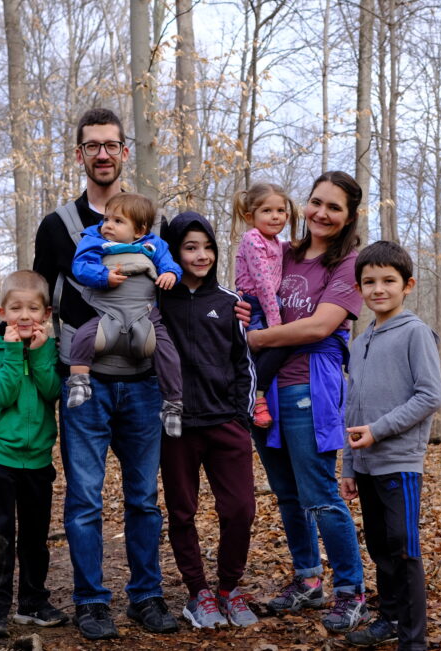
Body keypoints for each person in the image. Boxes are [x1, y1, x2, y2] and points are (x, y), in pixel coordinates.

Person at [0, 108, 180, 641]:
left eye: (111, 145)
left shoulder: (151, 224)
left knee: (142, 498)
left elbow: (182, 289)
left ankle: (147, 596)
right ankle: (90, 602)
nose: (103, 154)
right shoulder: (59, 225)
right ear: (80, 154)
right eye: (93, 146)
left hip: (145, 381)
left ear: (124, 152)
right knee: (84, 498)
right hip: (85, 380)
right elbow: (33, 300)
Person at [246, 170, 369, 634]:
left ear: (349, 216)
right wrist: (244, 313)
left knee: (319, 495)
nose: (320, 213)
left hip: (308, 388)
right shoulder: (284, 253)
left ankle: (351, 591)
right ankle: (307, 579)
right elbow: (258, 294)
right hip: (265, 389)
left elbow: (319, 327)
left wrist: (257, 338)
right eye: (316, 202)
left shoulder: (348, 266)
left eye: (334, 207)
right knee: (288, 495)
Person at [157, 211, 258, 629]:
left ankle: (228, 588)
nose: (201, 255)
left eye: (207, 247)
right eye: (190, 247)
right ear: (174, 251)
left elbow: (244, 364)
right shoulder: (157, 300)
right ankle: (198, 593)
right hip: (177, 426)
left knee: (240, 509)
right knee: (182, 511)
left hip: (225, 423)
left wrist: (242, 418)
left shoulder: (231, 304)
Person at [339, 241, 441, 650]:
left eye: (388, 281)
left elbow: (429, 396)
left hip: (399, 463)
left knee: (404, 550)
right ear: (359, 287)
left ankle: (413, 641)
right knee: (381, 549)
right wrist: (349, 466)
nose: (377, 289)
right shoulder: (361, 340)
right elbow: (353, 409)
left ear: (408, 285)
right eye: (369, 282)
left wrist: (379, 431)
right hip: (365, 465)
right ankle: (389, 620)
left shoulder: (416, 333)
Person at [0, 271, 68, 638]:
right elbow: (3, 395)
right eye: (16, 308)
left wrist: (40, 353)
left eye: (33, 308)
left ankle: (32, 602)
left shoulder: (50, 348)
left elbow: (51, 391)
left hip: (38, 459)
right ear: (3, 312)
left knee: (35, 533)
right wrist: (14, 352)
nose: (24, 315)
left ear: (46, 314)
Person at [65, 192, 185, 438]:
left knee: (167, 351)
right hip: (108, 313)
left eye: (118, 221)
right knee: (83, 336)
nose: (108, 225)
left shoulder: (153, 245)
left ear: (139, 230)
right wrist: (103, 276)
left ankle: (173, 403)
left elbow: (170, 264)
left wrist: (171, 274)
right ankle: (79, 381)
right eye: (107, 218)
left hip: (145, 314)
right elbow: (80, 266)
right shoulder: (95, 240)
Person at [232, 182, 297, 428]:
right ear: (250, 216)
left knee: (277, 348)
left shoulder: (275, 241)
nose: (275, 216)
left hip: (268, 302)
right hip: (256, 302)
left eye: (281, 211)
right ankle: (256, 398)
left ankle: (256, 395)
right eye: (267, 211)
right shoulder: (252, 238)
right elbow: (263, 284)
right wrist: (275, 321)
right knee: (273, 344)